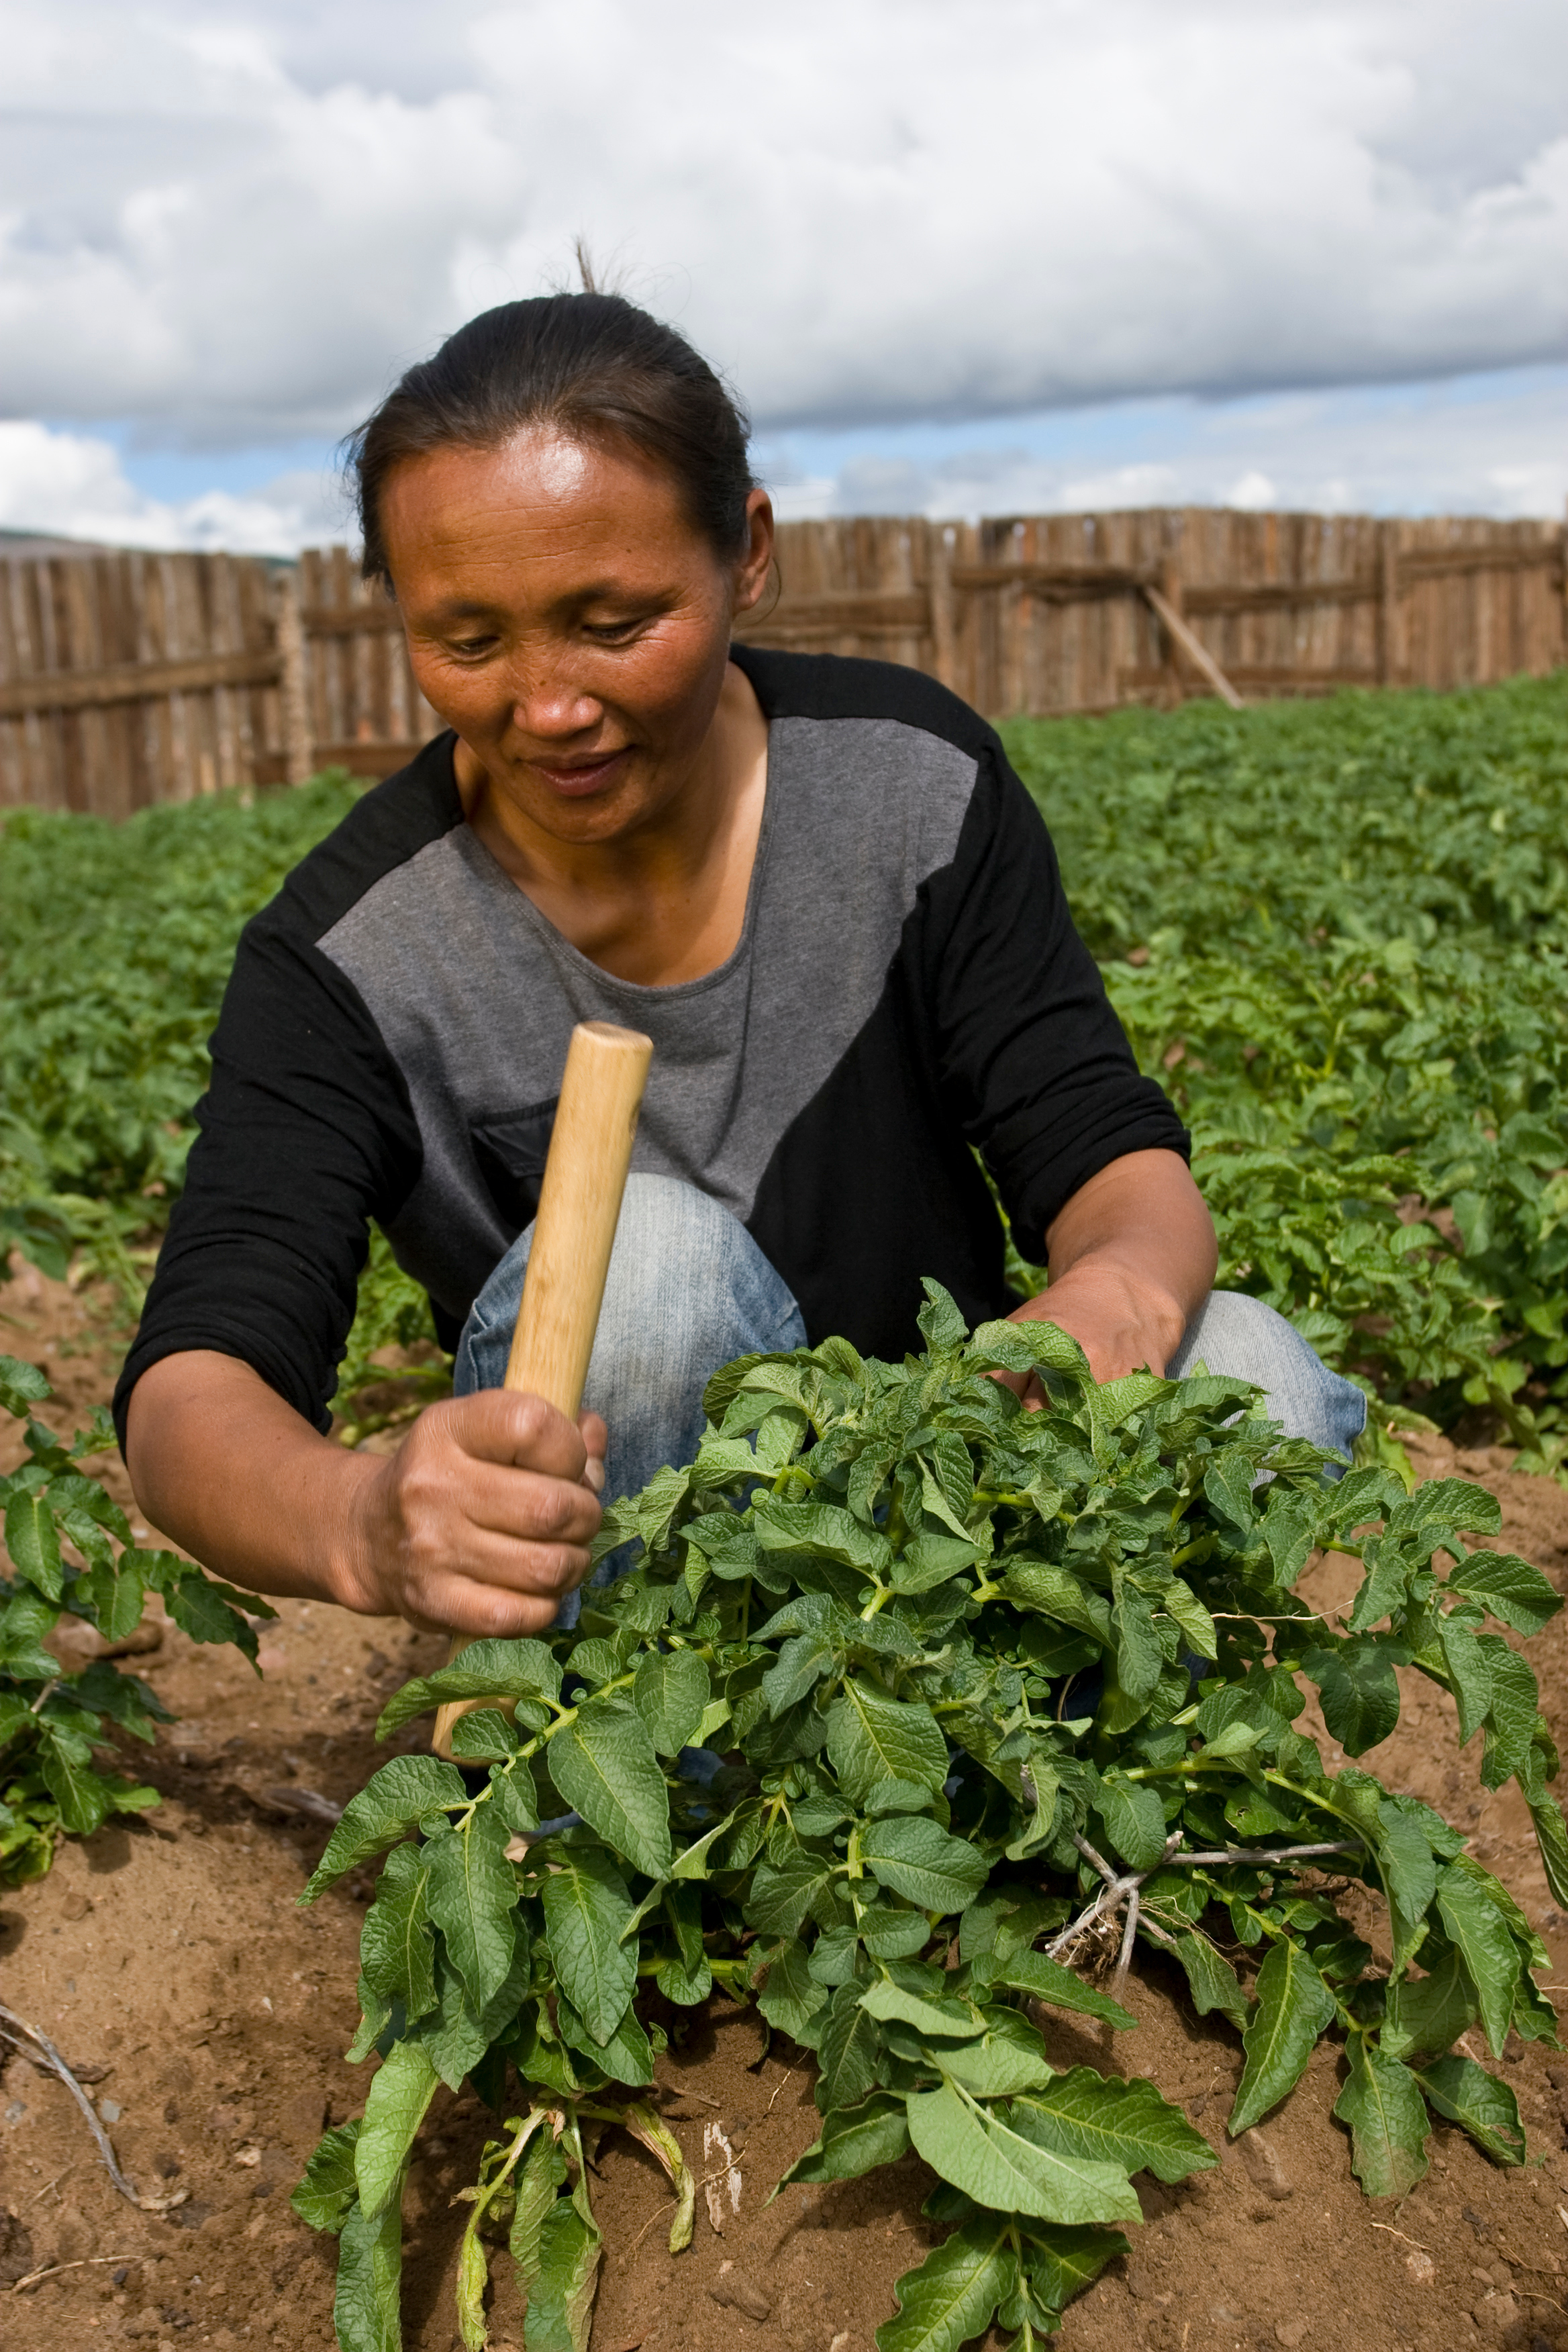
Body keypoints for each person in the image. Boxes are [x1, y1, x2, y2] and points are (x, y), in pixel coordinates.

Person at [115, 289, 1364, 1641]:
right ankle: (652, 1754)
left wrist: (1108, 1297)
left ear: (747, 553)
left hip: (948, 1511)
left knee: (1251, 1372)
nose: (549, 706)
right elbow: (194, 1387)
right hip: (641, 1599)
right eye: (467, 642)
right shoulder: (356, 954)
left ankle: (1024, 1748)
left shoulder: (907, 787)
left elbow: (1105, 1153)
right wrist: (360, 1520)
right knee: (645, 1271)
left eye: (613, 623)